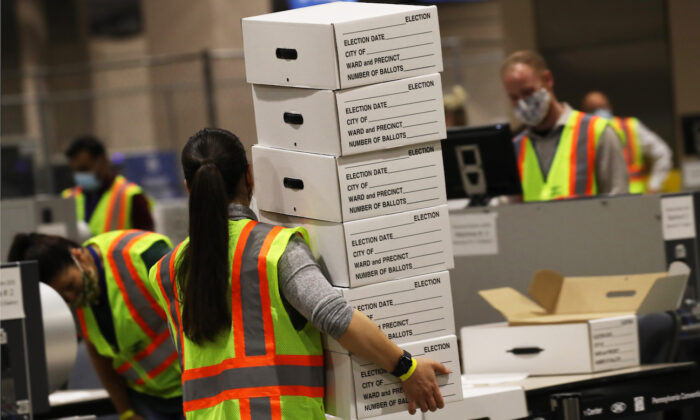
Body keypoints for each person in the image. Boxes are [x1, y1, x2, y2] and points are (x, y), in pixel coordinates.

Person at [148, 128, 449, 419]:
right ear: (249, 175)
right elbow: (337, 318)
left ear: (189, 189)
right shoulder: (273, 249)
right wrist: (407, 368)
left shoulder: (165, 271)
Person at [8, 231, 183, 420]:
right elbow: (100, 357)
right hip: (146, 401)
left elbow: (198, 313)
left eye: (70, 285)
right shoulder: (72, 302)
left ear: (78, 256)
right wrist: (126, 411)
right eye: (64, 298)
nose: (73, 298)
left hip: (190, 385)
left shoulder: (142, 254)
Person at [501, 50, 629, 201]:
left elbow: (620, 202)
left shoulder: (597, 131)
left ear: (547, 80)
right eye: (514, 97)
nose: (522, 103)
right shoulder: (515, 148)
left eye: (528, 92)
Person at [581, 90, 673, 194]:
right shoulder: (583, 133)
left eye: (602, 107)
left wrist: (654, 185)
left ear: (610, 107)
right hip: (599, 200)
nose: (599, 112)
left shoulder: (631, 127)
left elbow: (663, 153)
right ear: (584, 112)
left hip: (634, 199)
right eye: (593, 109)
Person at [62, 136, 154, 237]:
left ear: (103, 161)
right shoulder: (68, 197)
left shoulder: (130, 194)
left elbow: (148, 242)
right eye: (75, 171)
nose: (80, 175)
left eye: (84, 168)